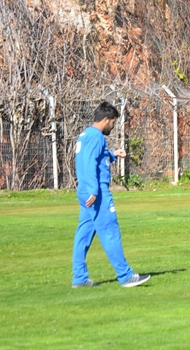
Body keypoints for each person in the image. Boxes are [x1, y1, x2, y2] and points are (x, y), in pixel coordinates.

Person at [72, 102, 150, 288]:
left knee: (83, 235)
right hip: (96, 193)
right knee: (110, 231)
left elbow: (95, 158)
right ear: (105, 120)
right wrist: (93, 189)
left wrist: (113, 154)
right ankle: (125, 276)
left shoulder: (85, 135)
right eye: (113, 122)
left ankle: (80, 278)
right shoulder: (97, 136)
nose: (113, 127)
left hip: (85, 192)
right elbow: (90, 163)